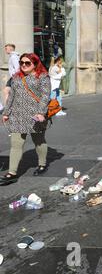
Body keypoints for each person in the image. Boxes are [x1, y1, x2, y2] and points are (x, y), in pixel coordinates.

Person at [0, 53, 52, 186]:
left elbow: (45, 96)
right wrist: (6, 113)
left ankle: (42, 164)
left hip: (35, 116)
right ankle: (12, 173)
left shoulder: (43, 77)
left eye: (27, 63)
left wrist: (41, 113)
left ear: (35, 64)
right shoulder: (16, 77)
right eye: (22, 62)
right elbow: (11, 96)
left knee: (38, 141)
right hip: (17, 115)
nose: (23, 65)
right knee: (16, 143)